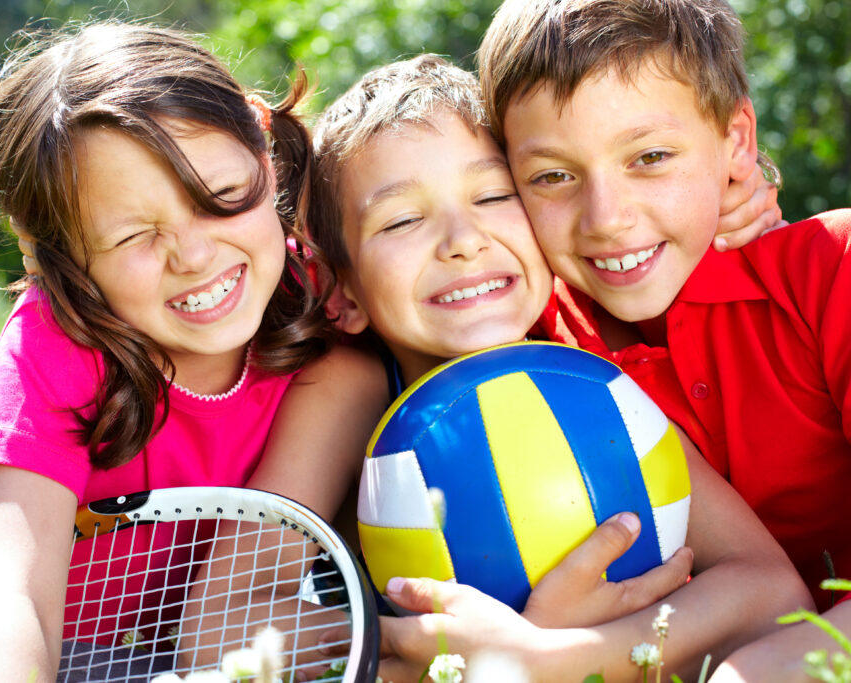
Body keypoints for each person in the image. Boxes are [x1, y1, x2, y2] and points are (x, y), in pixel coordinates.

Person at [308, 54, 811, 682]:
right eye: (402, 219)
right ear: (340, 289)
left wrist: (549, 657)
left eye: (494, 195)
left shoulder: (591, 387)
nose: (463, 240)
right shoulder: (339, 397)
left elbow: (774, 593)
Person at [0, 21, 388, 682]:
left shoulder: (329, 309)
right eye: (134, 235)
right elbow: (16, 602)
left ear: (263, 147)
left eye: (217, 198)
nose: (194, 255)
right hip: (80, 649)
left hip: (212, 622)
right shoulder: (57, 340)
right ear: (56, 255)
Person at [475, 0, 851, 680]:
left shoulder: (832, 271)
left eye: (650, 157)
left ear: (737, 141)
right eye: (553, 176)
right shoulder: (528, 351)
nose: (607, 219)